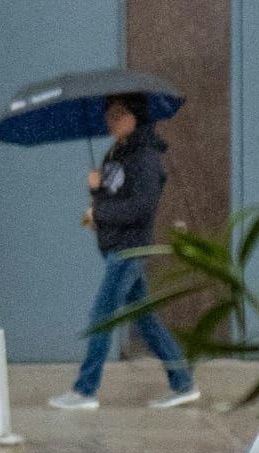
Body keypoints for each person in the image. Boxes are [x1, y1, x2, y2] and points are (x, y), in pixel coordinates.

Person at [49, 94, 199, 410]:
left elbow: (141, 207)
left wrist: (100, 214)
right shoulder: (118, 152)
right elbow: (113, 197)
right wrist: (95, 191)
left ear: (135, 116)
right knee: (146, 320)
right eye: (109, 114)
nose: (110, 120)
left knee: (101, 318)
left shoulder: (145, 157)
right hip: (115, 245)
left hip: (129, 249)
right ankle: (183, 382)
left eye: (118, 114)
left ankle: (84, 391)